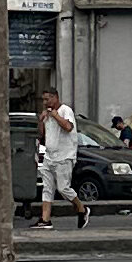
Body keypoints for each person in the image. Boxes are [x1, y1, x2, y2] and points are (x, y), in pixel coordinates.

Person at [35, 90, 86, 229]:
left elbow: (68, 127)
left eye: (47, 99)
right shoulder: (48, 114)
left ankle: (82, 209)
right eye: (43, 100)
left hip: (65, 156)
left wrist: (56, 116)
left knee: (63, 188)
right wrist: (41, 120)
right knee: (47, 188)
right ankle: (45, 220)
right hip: (49, 156)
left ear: (55, 98)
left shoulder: (65, 110)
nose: (45, 103)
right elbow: (42, 135)